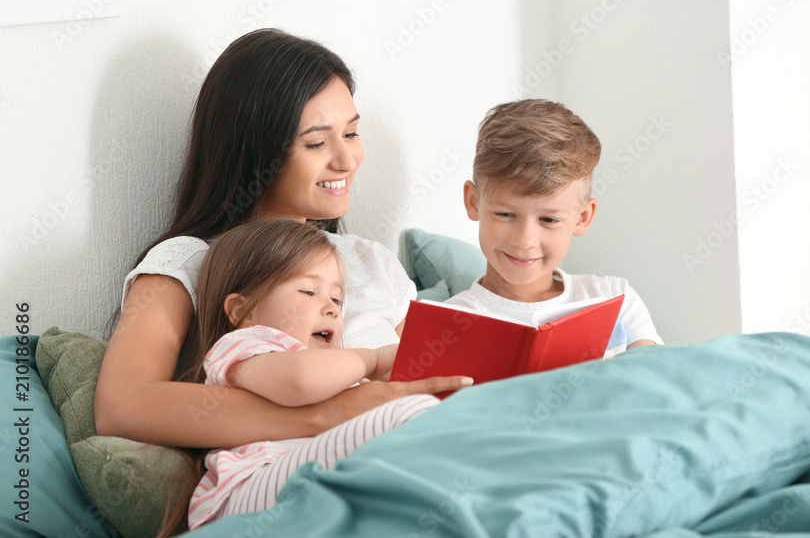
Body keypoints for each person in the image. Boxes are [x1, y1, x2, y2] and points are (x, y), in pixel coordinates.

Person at [94, 28, 469, 454]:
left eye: (350, 133)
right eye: (316, 142)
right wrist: (322, 416)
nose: (347, 160)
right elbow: (120, 407)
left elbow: (428, 377)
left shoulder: (372, 262)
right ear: (253, 150)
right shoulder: (189, 261)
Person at [182, 218, 439, 529]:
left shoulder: (333, 368)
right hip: (245, 493)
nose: (332, 308)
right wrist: (374, 359)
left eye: (337, 298)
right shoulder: (244, 346)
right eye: (308, 291)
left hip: (310, 492)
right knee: (413, 414)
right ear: (243, 311)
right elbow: (301, 380)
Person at [445, 99, 662, 356]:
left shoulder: (615, 298)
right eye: (505, 214)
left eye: (548, 220)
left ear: (582, 217)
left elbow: (655, 381)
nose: (525, 240)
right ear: (473, 202)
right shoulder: (448, 324)